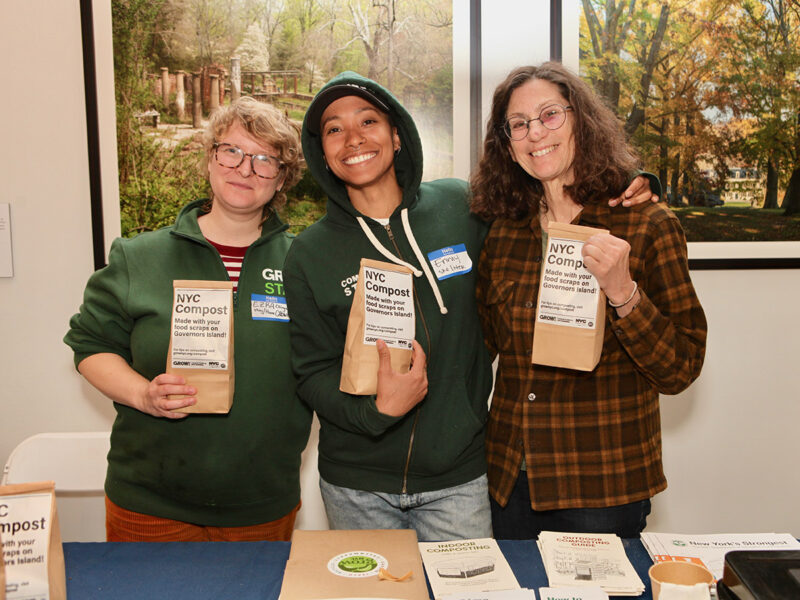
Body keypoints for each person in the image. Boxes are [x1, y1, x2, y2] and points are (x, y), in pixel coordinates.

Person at [282, 71, 656, 542]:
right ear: (322, 151)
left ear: (397, 135)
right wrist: (375, 413)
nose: (353, 138)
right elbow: (311, 371)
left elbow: (550, 196)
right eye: (334, 128)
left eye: (368, 121)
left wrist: (630, 181)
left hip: (458, 479)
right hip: (357, 486)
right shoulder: (309, 252)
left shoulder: (463, 207)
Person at [470, 63, 707, 539]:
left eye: (550, 115)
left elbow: (680, 368)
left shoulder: (645, 224)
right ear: (508, 145)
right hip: (510, 479)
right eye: (519, 124)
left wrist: (624, 294)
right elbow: (486, 344)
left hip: (601, 483)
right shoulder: (504, 232)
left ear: (581, 120)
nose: (535, 132)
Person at [64, 97, 312, 542]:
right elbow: (90, 346)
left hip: (260, 503)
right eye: (231, 151)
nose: (244, 168)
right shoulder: (138, 257)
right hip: (149, 503)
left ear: (282, 179)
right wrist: (143, 394)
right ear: (211, 159)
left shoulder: (305, 264)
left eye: (264, 160)